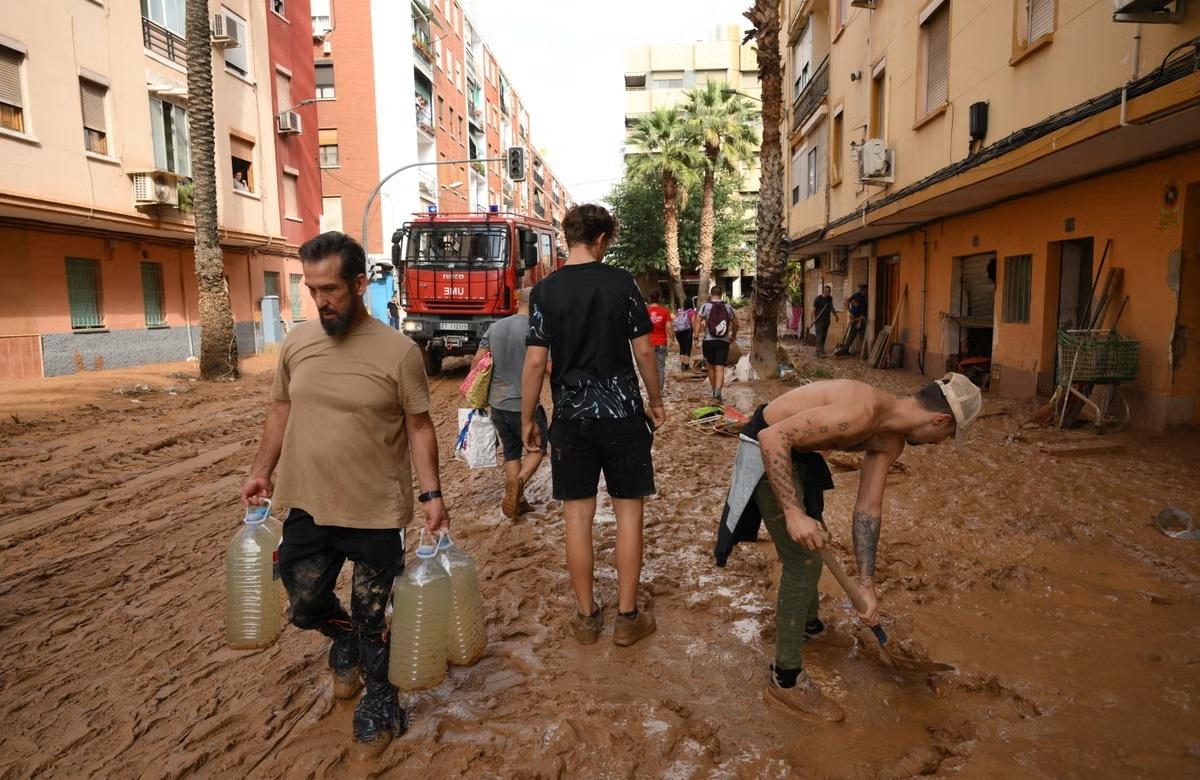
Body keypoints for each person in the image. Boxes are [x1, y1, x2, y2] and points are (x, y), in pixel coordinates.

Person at [240, 232, 449, 748]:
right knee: (305, 604)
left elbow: (420, 427)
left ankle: (381, 698)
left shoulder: (399, 352)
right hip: (308, 501)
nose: (321, 300)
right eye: (313, 290)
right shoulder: (297, 342)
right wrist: (262, 469)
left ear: (360, 283)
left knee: (374, 613)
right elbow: (281, 409)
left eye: (331, 289)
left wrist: (432, 496)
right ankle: (344, 638)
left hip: (376, 509)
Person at [715, 374, 982, 721]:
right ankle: (785, 680)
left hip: (798, 454)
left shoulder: (890, 440)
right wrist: (794, 513)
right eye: (945, 437)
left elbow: (868, 510)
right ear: (940, 420)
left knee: (815, 540)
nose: (938, 444)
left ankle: (809, 627)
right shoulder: (861, 411)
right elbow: (772, 436)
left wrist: (866, 585)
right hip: (768, 448)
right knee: (805, 562)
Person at [521, 204, 665, 648]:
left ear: (568, 237)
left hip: (571, 418)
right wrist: (656, 400)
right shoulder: (621, 282)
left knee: (577, 519)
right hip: (622, 415)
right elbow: (643, 353)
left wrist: (528, 417)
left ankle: (586, 619)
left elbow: (535, 362)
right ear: (601, 239)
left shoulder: (544, 291)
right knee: (628, 516)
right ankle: (627, 618)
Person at [471, 288, 547, 519]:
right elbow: (548, 367)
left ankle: (518, 501)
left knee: (511, 452)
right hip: (523, 404)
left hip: (498, 404)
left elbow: (477, 362)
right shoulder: (536, 330)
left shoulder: (496, 327)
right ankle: (519, 484)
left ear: (518, 303)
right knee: (538, 448)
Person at [697, 286, 737, 401]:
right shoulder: (728, 306)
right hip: (723, 341)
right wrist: (733, 335)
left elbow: (697, 320)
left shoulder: (705, 306)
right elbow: (736, 323)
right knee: (720, 368)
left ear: (711, 294)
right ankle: (718, 392)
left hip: (708, 341)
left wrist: (696, 336)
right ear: (721, 294)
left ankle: (714, 390)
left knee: (710, 367)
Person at [646, 290, 672, 395]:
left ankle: (652, 390)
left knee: (650, 367)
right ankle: (660, 390)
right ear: (659, 298)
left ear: (649, 298)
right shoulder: (665, 311)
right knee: (661, 367)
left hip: (649, 343)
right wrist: (673, 338)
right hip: (661, 342)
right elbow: (669, 327)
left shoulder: (645, 311)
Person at [838, 284, 868, 356]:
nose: (867, 292)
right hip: (856, 318)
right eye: (866, 290)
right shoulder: (856, 295)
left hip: (859, 319)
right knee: (853, 334)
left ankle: (863, 352)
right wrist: (850, 312)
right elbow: (846, 302)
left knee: (861, 335)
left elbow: (863, 317)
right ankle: (845, 349)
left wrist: (854, 320)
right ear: (863, 290)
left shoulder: (864, 298)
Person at [811, 284, 838, 357]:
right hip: (819, 321)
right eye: (826, 291)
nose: (828, 293)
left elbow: (831, 307)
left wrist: (836, 316)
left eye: (829, 291)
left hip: (826, 321)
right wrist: (812, 319)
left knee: (823, 336)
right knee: (819, 336)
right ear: (824, 291)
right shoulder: (818, 299)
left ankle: (820, 351)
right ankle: (819, 352)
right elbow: (813, 309)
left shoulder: (830, 298)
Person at [673, 299, 695, 371]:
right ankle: (686, 365)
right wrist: (695, 331)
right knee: (687, 348)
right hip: (687, 331)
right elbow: (693, 322)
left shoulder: (680, 311)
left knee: (682, 348)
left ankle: (682, 364)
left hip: (678, 332)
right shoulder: (691, 312)